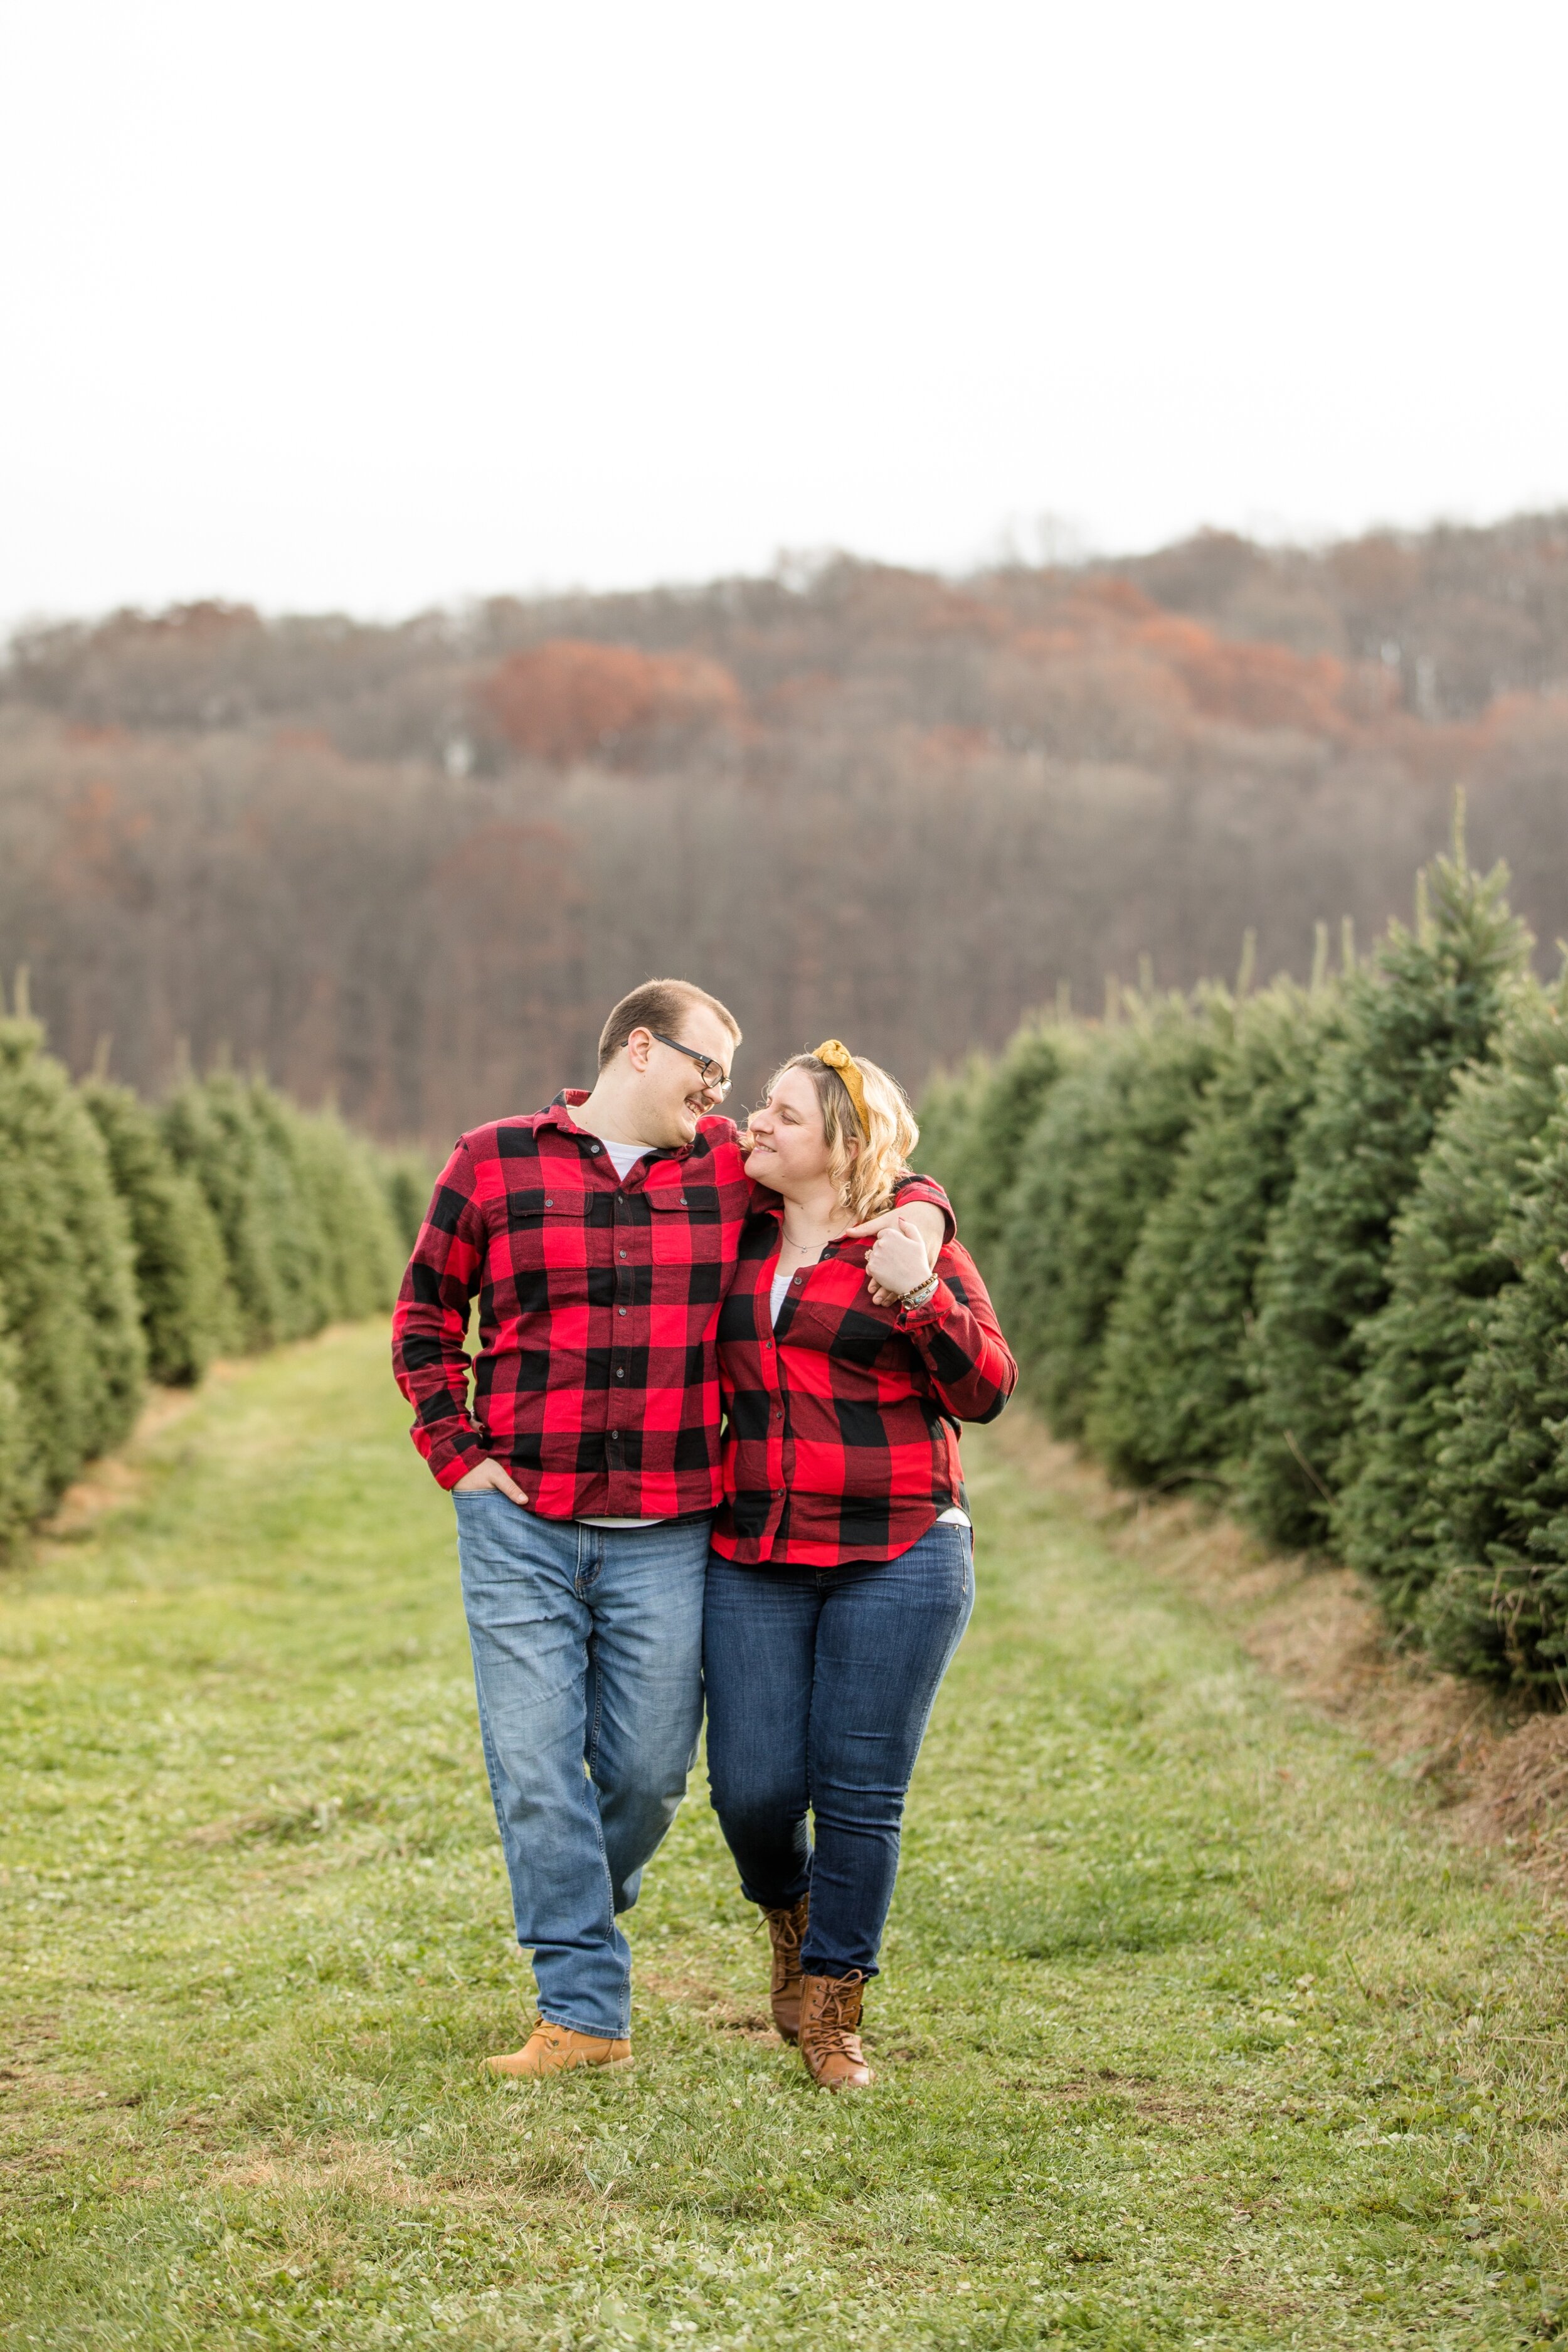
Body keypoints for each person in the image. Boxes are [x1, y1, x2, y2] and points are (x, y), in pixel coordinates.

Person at [391, 982, 953, 2078]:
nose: (725, 1098)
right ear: (641, 1047)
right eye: (711, 1069)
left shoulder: (723, 1179)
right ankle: (584, 2007)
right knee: (536, 1768)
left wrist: (927, 1209)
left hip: (666, 1531)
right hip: (522, 1523)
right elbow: (424, 1312)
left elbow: (860, 1171)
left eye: (737, 1086)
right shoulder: (493, 1160)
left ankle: (575, 1908)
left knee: (649, 1776)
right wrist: (457, 1453)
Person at [703, 1041, 1016, 2090]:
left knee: (859, 1790)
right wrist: (931, 1198)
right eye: (760, 1107)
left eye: (783, 1115)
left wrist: (922, 1285)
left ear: (839, 1143)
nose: (757, 1124)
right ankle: (790, 1911)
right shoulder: (733, 1225)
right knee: (751, 1788)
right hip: (757, 1546)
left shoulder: (898, 1238)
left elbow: (988, 1388)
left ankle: (835, 2007)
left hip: (901, 1545)